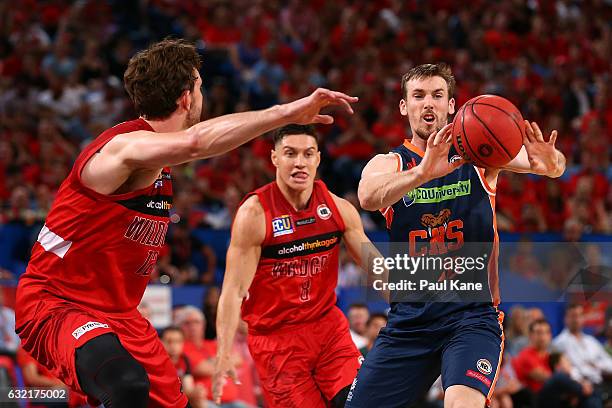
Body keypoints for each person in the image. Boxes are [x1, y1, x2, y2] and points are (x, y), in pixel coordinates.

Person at [15, 38, 357, 408]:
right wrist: (287, 112)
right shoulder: (123, 149)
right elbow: (194, 143)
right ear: (186, 98)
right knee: (126, 386)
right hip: (55, 303)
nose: (202, 95)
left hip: (121, 315)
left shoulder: (156, 164)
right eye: (200, 86)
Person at [349, 63, 566, 407]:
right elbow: (368, 196)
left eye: (437, 95)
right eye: (418, 96)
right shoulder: (389, 163)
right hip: (410, 322)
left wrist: (552, 162)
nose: (428, 104)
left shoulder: (480, 152)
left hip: (472, 317)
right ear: (404, 106)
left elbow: (551, 167)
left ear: (452, 105)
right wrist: (422, 172)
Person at [213, 124, 379, 407]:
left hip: (328, 330)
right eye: (290, 153)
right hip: (276, 341)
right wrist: (224, 351)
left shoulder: (338, 208)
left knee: (363, 401)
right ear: (275, 158)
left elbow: (377, 267)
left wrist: (412, 310)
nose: (299, 162)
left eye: (307, 154)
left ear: (318, 159)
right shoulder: (254, 214)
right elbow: (233, 290)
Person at [553, 304, 612, 403]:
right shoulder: (559, 343)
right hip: (579, 387)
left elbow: (609, 362)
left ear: (583, 318)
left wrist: (597, 365)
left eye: (579, 316)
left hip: (601, 384)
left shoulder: (591, 341)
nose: (576, 320)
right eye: (572, 316)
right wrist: (582, 380)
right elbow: (567, 370)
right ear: (566, 319)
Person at [160, 326, 208, 408]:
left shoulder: (184, 360)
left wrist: (196, 391)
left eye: (178, 342)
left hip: (179, 399)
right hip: (161, 400)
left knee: (198, 397)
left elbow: (188, 386)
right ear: (160, 342)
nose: (173, 346)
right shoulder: (157, 361)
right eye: (169, 341)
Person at [512, 319, 552, 393]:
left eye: (547, 332)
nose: (543, 337)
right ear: (530, 335)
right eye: (539, 332)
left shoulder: (550, 356)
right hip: (533, 397)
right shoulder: (525, 355)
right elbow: (542, 377)